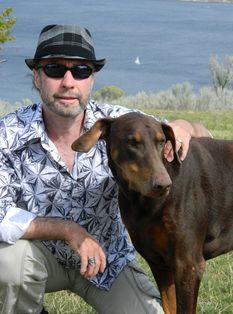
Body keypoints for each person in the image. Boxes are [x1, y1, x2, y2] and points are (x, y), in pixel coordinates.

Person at [0, 24, 211, 314]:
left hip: (108, 262)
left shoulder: (122, 126)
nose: (68, 82)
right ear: (37, 77)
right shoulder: (8, 135)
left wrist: (186, 126)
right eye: (54, 69)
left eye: (82, 70)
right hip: (39, 258)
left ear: (92, 78)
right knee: (8, 261)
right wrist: (68, 231)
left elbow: (196, 132)